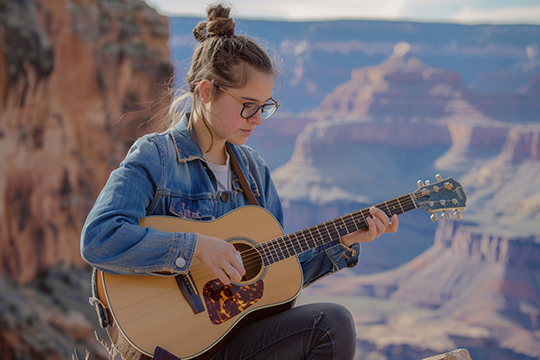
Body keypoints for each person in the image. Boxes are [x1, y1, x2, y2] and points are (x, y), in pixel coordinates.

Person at [81, 4, 399, 360]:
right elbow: (99, 239)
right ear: (205, 92)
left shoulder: (254, 171)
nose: (258, 119)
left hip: (231, 340)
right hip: (169, 346)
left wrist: (342, 242)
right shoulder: (157, 156)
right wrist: (196, 247)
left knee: (333, 322)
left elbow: (276, 279)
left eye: (265, 106)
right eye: (248, 105)